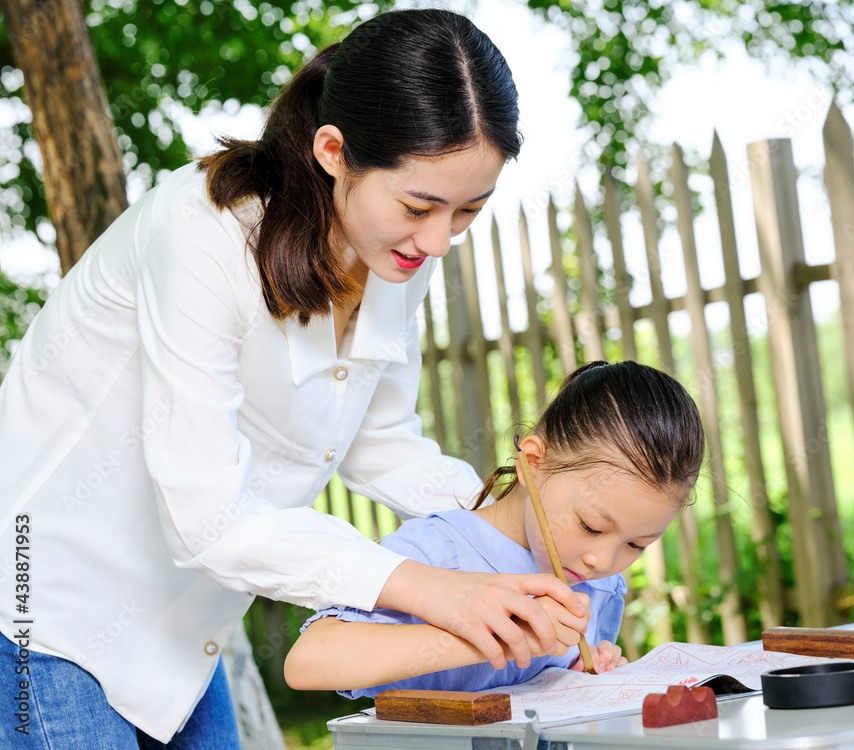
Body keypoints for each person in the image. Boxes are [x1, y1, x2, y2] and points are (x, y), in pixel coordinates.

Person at [0, 9, 590, 748]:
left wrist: (525, 524)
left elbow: (381, 443)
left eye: (468, 210)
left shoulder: (394, 257)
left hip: (181, 636)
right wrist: (433, 588)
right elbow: (206, 515)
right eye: (419, 205)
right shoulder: (203, 232)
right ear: (334, 151)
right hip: (43, 613)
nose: (439, 240)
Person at [284, 361, 706, 698]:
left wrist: (581, 676)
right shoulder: (441, 550)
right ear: (534, 464)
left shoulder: (598, 583)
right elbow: (309, 662)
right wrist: (500, 638)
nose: (604, 561)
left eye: (637, 544)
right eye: (590, 526)